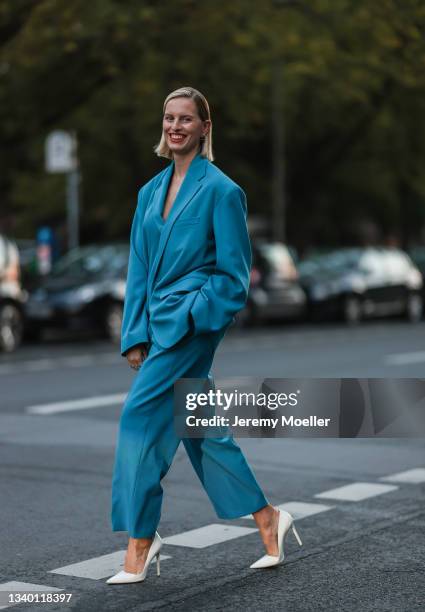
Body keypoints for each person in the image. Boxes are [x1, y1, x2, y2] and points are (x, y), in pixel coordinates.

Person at [107, 86, 302, 584]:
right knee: (199, 427)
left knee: (137, 420)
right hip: (157, 323)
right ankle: (268, 520)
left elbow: (234, 275)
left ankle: (140, 544)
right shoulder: (148, 193)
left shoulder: (222, 190)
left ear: (204, 128)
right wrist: (135, 331)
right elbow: (139, 266)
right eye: (169, 118)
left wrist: (196, 315)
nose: (175, 127)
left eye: (186, 119)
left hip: (192, 326)